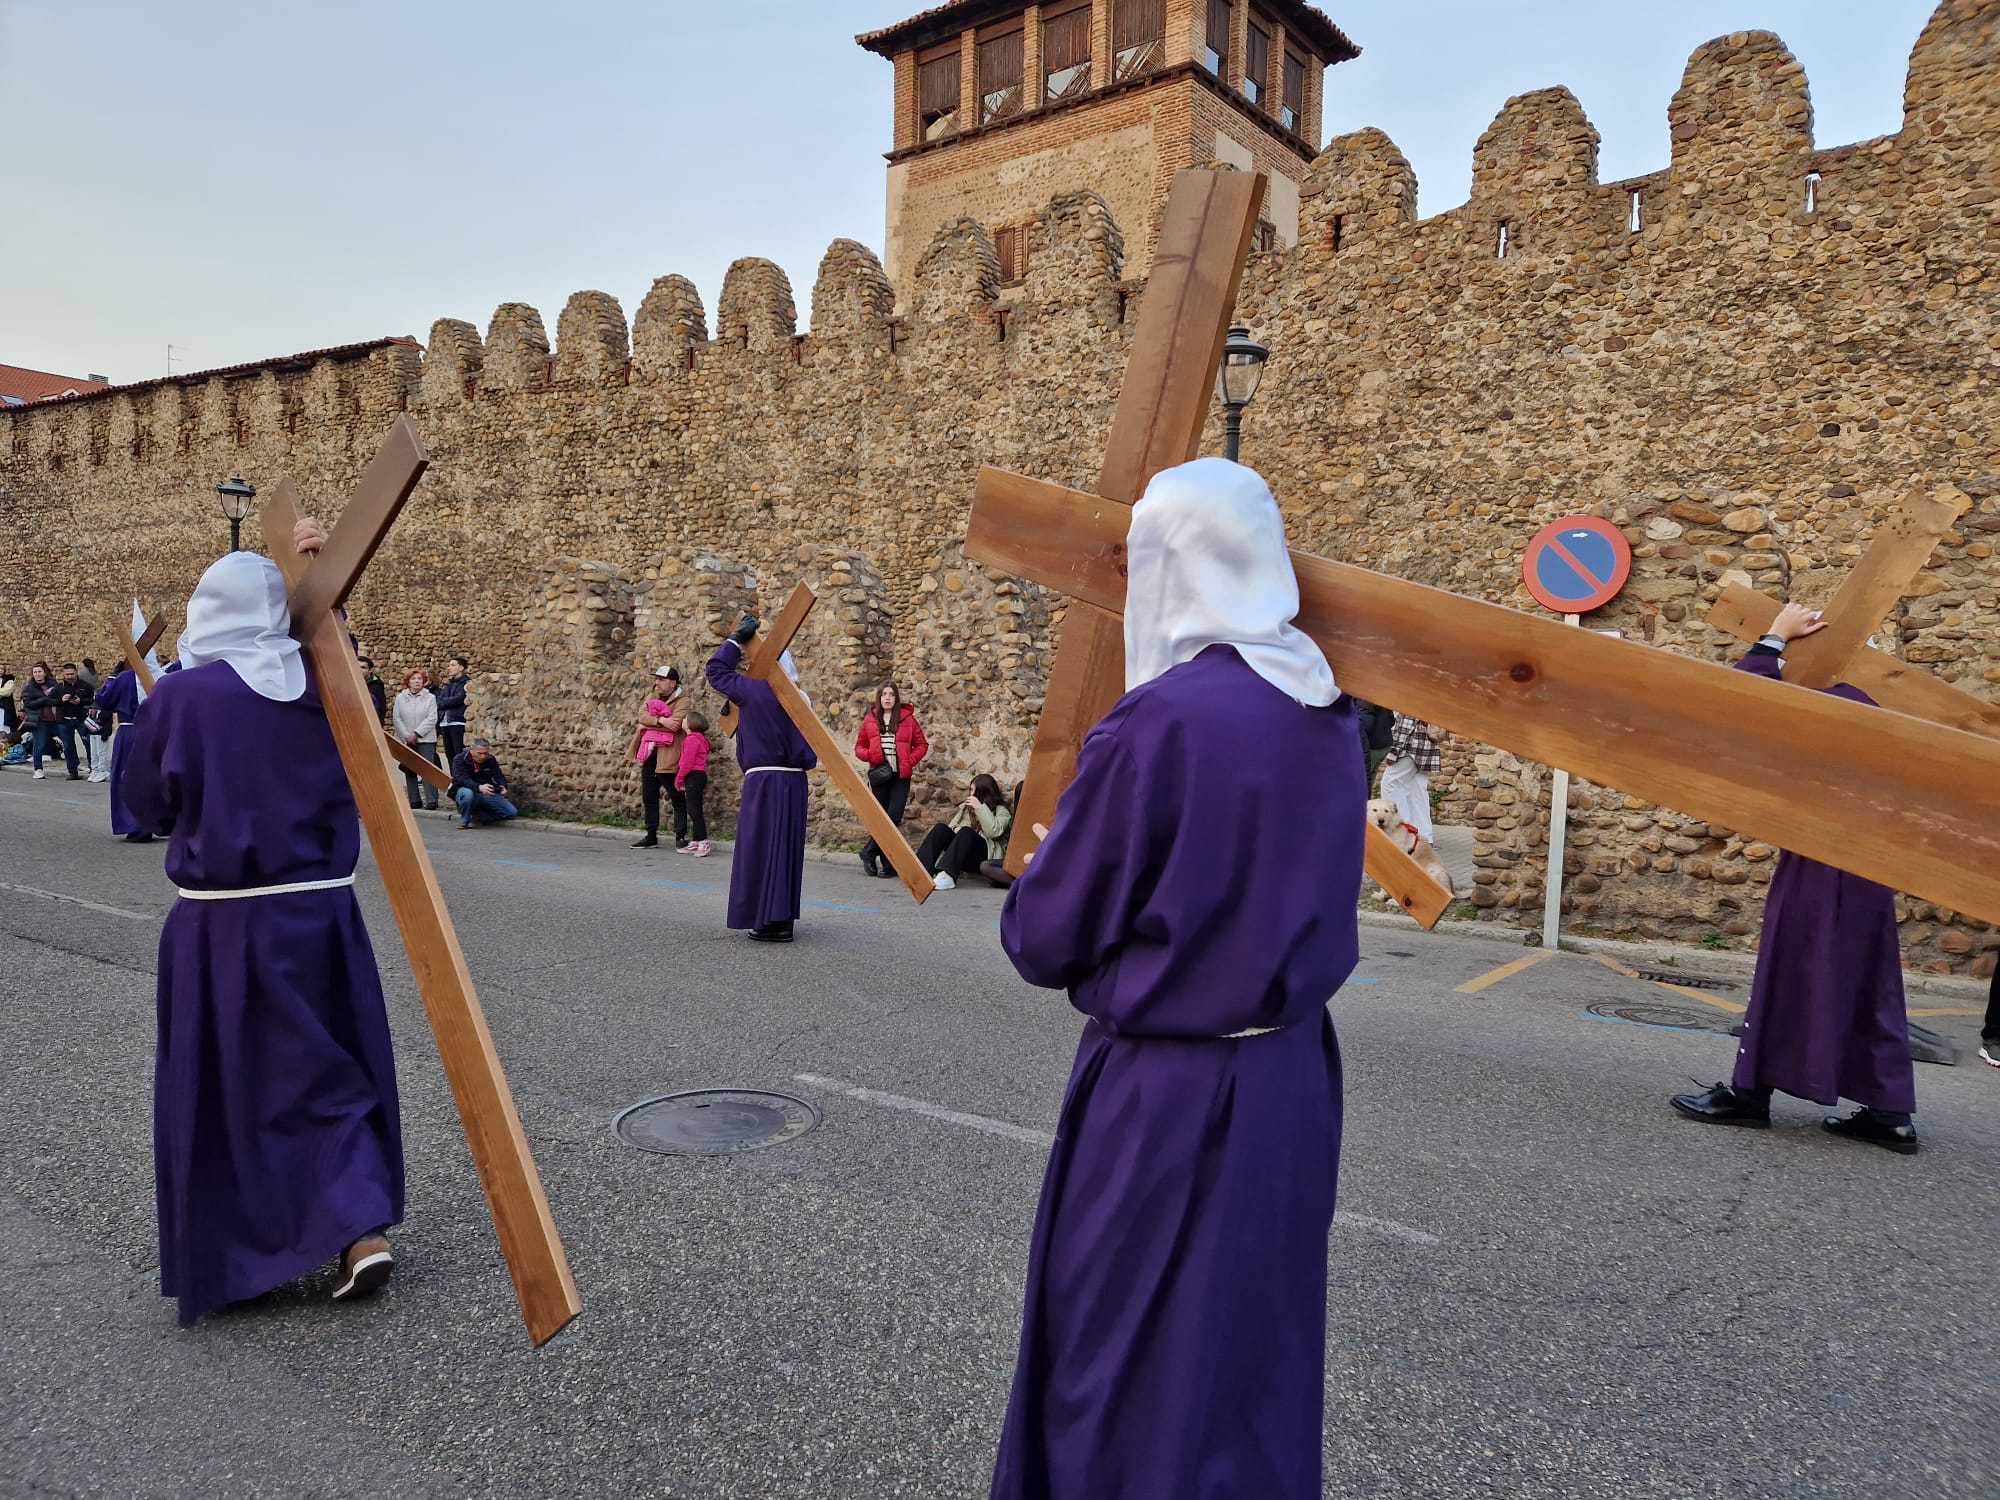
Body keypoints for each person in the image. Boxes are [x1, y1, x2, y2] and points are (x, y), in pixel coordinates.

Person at [990, 457, 1359, 1500]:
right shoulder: (1323, 705)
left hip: (1166, 1091)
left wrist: (1055, 859)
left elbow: (1042, 936)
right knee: (1247, 1354)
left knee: (1117, 1347)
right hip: (1290, 1079)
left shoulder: (1161, 721)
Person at [120, 537, 404, 1327]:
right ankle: (358, 1227)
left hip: (225, 924)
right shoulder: (325, 685)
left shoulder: (181, 698)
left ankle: (249, 1257)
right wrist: (326, 593)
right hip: (323, 912)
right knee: (328, 1063)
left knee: (236, 1083)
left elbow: (147, 806)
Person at [1671, 602, 1921, 1153]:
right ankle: (1890, 1111)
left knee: (1790, 963)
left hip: (1826, 851)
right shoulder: (1890, 697)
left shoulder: (1843, 695)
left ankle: (1750, 1094)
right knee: (1868, 979)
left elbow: (1741, 702)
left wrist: (1774, 639)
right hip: (1870, 856)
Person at [706, 618, 817, 943]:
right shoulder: (801, 698)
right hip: (794, 783)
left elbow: (715, 671)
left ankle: (766, 918)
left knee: (759, 849)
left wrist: (734, 641)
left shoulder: (754, 690)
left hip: (764, 782)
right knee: (784, 850)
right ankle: (781, 920)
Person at [854, 682, 929, 878]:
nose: (887, 697)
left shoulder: (908, 719)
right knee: (882, 820)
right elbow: (859, 747)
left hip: (900, 776)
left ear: (896, 698)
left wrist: (909, 760)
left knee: (893, 816)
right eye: (884, 694)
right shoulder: (870, 720)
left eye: (891, 694)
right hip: (879, 775)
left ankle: (868, 852)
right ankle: (889, 863)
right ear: (879, 698)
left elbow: (922, 745)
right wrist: (871, 754)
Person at [94, 643, 157, 842]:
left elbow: (104, 700)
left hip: (129, 732)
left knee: (126, 778)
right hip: (155, 733)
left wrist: (112, 677)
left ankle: (133, 824)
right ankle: (151, 823)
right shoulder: (160, 675)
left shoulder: (124, 678)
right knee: (151, 778)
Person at [915, 773, 1012, 891]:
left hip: (986, 857)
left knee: (967, 832)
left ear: (983, 793)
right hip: (965, 852)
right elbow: (952, 825)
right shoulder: (967, 808)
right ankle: (920, 870)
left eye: (973, 790)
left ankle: (948, 875)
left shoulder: (1002, 811)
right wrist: (955, 829)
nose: (970, 794)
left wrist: (980, 808)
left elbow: (994, 832)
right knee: (940, 828)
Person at [631, 666, 686, 850]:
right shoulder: (652, 696)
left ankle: (680, 836)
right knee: (649, 796)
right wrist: (661, 720)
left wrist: (646, 725)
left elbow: (676, 725)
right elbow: (641, 715)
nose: (657, 683)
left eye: (661, 680)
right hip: (650, 754)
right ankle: (651, 835)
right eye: (657, 679)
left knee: (676, 797)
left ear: (673, 683)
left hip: (668, 755)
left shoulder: (683, 700)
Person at [1379, 710, 1443, 843]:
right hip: (1425, 747)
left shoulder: (1409, 698)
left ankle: (1402, 830)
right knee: (1418, 791)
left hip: (1411, 748)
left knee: (1390, 784)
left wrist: (1393, 754)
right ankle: (1424, 836)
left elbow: (1405, 727)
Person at [392, 668, 442, 812]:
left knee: (427, 768)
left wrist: (417, 733)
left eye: (420, 679)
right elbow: (397, 718)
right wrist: (406, 735)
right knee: (409, 768)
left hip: (426, 738)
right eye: (414, 679)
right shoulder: (401, 698)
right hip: (406, 738)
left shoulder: (430, 697)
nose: (417, 681)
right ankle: (414, 799)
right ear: (408, 681)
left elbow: (432, 718)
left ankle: (431, 800)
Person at [449, 738, 516, 828]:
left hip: (485, 793)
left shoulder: (490, 759)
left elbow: (498, 775)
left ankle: (480, 817)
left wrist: (503, 786)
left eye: (485, 753)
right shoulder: (459, 759)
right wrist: (479, 787)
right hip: (465, 790)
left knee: (511, 812)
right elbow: (462, 779)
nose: (483, 756)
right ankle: (465, 821)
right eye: (480, 753)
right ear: (471, 750)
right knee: (467, 794)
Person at [21, 662, 72, 779]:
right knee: (39, 745)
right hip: (40, 721)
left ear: (45, 673)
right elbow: (28, 704)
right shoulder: (29, 688)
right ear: (32, 674)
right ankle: (38, 769)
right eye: (35, 672)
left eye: (39, 671)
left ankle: (72, 768)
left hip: (56, 720)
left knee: (68, 742)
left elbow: (59, 698)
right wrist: (44, 699)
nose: (37, 674)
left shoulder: (53, 684)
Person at [675, 709, 712, 857]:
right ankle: (697, 840)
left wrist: (679, 779)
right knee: (695, 808)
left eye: (684, 719)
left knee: (693, 810)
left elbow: (687, 763)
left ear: (690, 723)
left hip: (693, 775)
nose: (682, 721)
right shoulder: (701, 739)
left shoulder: (691, 739)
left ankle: (703, 840)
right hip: (699, 775)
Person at [55, 663, 94, 778]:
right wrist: (61, 700)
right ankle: (72, 771)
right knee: (68, 746)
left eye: (72, 674)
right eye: (67, 674)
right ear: (63, 674)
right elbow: (50, 701)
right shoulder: (59, 687)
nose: (70, 676)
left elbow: (91, 700)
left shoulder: (86, 686)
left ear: (76, 672)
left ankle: (93, 767)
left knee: (88, 743)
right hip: (64, 720)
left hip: (81, 719)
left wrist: (80, 700)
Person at [435, 655, 470, 770]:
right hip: (445, 723)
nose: (449, 668)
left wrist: (445, 702)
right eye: (449, 665)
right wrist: (446, 702)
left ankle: (460, 779)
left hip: (457, 722)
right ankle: (454, 779)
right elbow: (439, 701)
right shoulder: (448, 685)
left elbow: (459, 699)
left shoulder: (466, 684)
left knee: (458, 754)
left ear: (461, 668)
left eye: (453, 665)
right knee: (449, 754)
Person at [1354, 698, 1395, 794]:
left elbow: (1366, 724)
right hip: (1384, 746)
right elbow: (1392, 720)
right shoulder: (1377, 695)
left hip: (1372, 747)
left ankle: (1361, 805)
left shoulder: (1363, 698)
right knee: (1368, 781)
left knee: (1360, 783)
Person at [357, 656, 389, 725]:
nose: (359, 670)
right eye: (357, 666)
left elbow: (379, 710)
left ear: (370, 670)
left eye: (363, 668)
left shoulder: (376, 687)